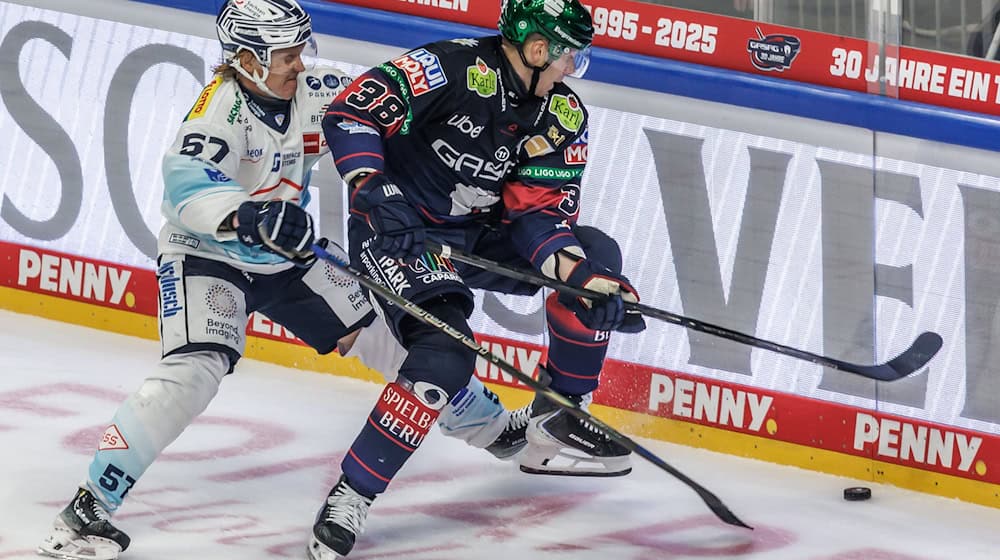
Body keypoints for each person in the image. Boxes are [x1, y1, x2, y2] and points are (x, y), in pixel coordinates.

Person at [35, 2, 526, 559]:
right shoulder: (216, 112)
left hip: (287, 256)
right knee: (193, 372)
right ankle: (88, 508)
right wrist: (249, 214)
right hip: (206, 253)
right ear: (246, 60)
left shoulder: (317, 90)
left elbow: (390, 121)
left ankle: (495, 429)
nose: (300, 63)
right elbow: (184, 186)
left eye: (301, 49)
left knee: (395, 339)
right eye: (286, 55)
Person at [313, 0, 647, 556]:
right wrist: (372, 186)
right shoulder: (449, 66)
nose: (572, 69)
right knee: (445, 354)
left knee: (596, 256)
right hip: (400, 230)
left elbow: (539, 216)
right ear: (538, 50)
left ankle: (557, 415)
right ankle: (353, 493)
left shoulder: (563, 116)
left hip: (476, 239)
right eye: (570, 56)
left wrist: (587, 282)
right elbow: (350, 112)